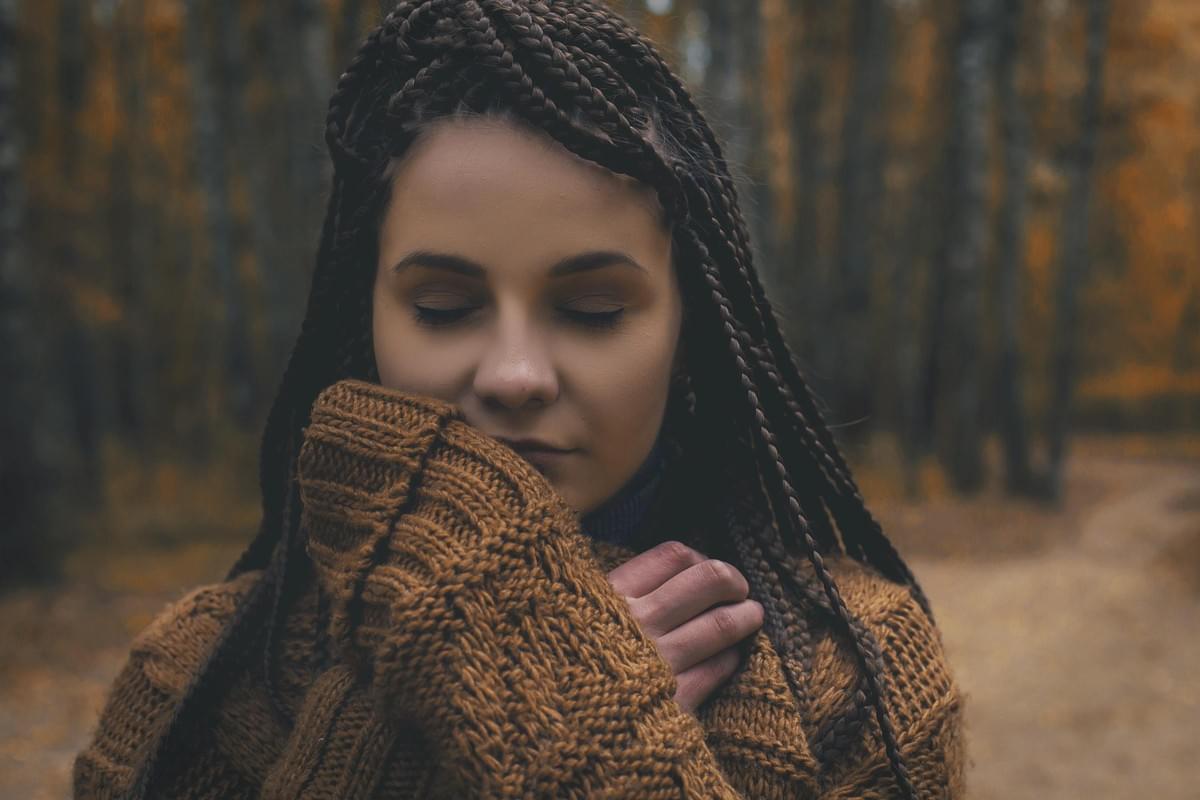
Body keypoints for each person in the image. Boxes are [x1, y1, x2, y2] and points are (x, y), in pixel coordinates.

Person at [74, 1, 965, 798]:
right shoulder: (195, 681)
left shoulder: (859, 676)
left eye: (592, 310)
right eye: (444, 308)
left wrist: (594, 757)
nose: (513, 375)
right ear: (369, 322)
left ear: (687, 333)